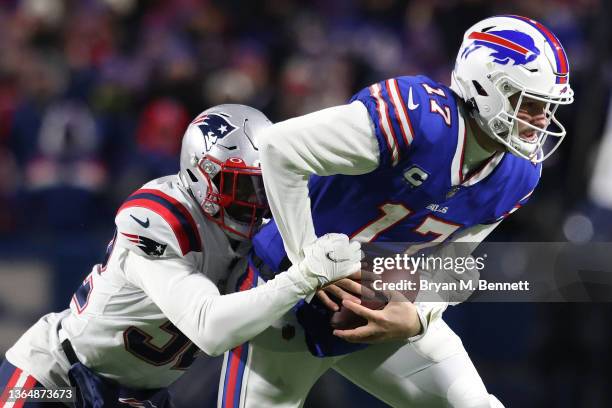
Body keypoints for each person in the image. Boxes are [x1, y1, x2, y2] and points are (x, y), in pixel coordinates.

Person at [218, 16, 574, 407]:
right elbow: (279, 147)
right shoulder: (417, 118)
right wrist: (309, 264)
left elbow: (454, 261)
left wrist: (417, 315)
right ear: (485, 86)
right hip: (283, 296)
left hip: (378, 301)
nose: (541, 120)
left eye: (547, 106)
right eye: (531, 103)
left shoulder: (519, 173)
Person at [0, 104, 362, 408]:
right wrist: (303, 277)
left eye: (265, 184)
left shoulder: (264, 227)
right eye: (244, 186)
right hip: (58, 377)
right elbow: (210, 328)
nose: (258, 201)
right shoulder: (158, 219)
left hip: (139, 399)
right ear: (200, 174)